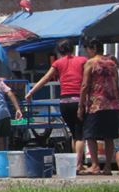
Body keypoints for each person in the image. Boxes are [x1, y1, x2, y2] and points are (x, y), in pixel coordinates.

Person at [24, 39, 87, 171]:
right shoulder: (82, 61)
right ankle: (78, 164)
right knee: (80, 134)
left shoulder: (58, 63)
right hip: (79, 100)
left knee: (72, 132)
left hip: (64, 102)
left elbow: (46, 78)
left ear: (59, 51)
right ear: (72, 49)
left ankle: (76, 162)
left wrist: (31, 92)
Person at [78, 38, 119, 175]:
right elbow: (117, 85)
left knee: (90, 135)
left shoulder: (91, 63)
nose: (87, 53)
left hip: (96, 104)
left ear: (93, 48)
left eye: (88, 50)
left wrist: (81, 105)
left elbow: (84, 86)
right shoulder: (112, 64)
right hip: (112, 104)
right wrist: (118, 105)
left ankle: (95, 165)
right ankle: (108, 167)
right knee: (109, 137)